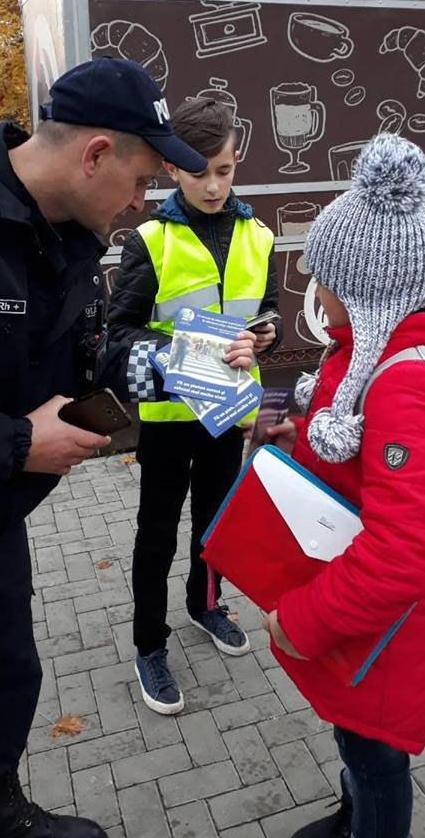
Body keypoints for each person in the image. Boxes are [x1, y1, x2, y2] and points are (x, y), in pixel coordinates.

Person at [0, 57, 256, 838]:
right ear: (95, 155)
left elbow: (99, 362)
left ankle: (1, 815)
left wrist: (206, 368)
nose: (143, 201)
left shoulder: (69, 239)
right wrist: (19, 444)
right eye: (143, 179)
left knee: (5, 682)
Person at [261, 135, 425, 838]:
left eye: (321, 276)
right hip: (369, 628)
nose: (313, 289)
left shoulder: (404, 383)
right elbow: (367, 470)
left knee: (378, 761)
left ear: (358, 288)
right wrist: (299, 445)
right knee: (356, 745)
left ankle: (370, 823)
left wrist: (302, 622)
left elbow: (406, 551)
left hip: (384, 636)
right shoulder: (365, 356)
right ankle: (354, 814)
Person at [106, 98, 282, 715]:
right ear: (173, 168)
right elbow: (118, 331)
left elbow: (270, 311)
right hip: (167, 418)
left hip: (228, 414)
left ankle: (204, 604)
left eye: (225, 169)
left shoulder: (259, 234)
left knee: (216, 523)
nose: (213, 184)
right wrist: (190, 350)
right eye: (199, 170)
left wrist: (265, 332)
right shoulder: (149, 241)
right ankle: (149, 644)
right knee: (156, 533)